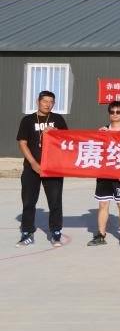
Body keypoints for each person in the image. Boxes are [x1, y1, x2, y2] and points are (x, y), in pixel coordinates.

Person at [16, 90, 68, 248]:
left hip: (53, 167)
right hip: (32, 168)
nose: (48, 104)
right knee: (28, 201)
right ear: (37, 102)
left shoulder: (58, 119)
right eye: (45, 101)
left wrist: (55, 133)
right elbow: (22, 143)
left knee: (55, 201)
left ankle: (56, 232)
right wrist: (33, 162)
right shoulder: (27, 120)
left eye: (51, 102)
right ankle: (27, 233)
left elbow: (67, 140)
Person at [90, 101, 120, 247]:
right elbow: (97, 150)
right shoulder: (103, 130)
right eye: (112, 112)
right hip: (104, 173)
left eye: (118, 112)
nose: (114, 114)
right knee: (103, 204)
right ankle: (101, 235)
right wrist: (100, 136)